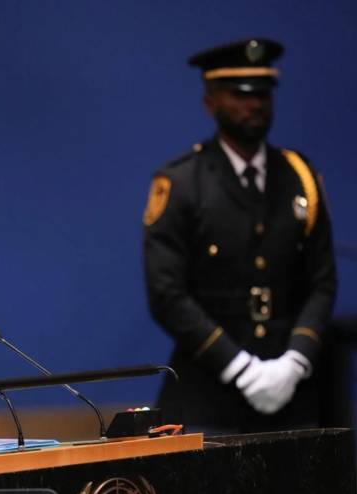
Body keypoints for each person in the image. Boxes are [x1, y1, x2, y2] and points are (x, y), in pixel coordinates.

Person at [143, 38, 336, 434]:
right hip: (208, 390)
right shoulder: (181, 181)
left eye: (263, 94)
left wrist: (295, 361)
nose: (255, 105)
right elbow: (166, 293)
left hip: (292, 388)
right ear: (210, 101)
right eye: (239, 94)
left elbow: (323, 281)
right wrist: (240, 368)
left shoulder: (300, 177)